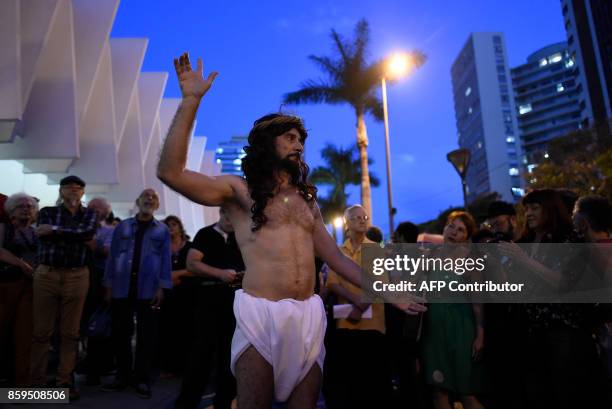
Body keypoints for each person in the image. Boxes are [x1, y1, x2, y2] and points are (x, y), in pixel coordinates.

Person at [157, 51, 426, 409]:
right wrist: (191, 101)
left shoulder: (307, 202)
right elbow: (170, 173)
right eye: (288, 136)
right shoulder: (240, 192)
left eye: (300, 138)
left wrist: (389, 292)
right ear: (267, 144)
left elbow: (334, 258)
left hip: (309, 315)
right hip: (260, 314)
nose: (298, 143)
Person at [499, 189, 604, 408]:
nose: (528, 213)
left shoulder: (568, 239)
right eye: (526, 209)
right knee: (537, 393)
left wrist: (524, 260)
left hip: (563, 330)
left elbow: (563, 283)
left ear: (551, 208)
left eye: (535, 208)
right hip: (529, 331)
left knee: (566, 392)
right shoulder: (525, 241)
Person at [30, 175, 97, 400]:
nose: (73, 191)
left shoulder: (90, 214)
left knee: (70, 332)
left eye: (78, 188)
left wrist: (56, 231)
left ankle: (64, 382)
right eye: (69, 187)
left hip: (77, 275)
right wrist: (74, 235)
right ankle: (36, 382)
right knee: (41, 332)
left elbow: (87, 233)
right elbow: (42, 234)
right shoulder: (46, 211)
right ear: (61, 191)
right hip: (47, 273)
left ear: (83, 192)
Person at [102, 189, 171, 399]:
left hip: (148, 288)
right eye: (146, 196)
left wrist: (162, 287)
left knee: (146, 336)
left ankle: (142, 378)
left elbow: (165, 260)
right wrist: (108, 286)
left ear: (157, 206)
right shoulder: (122, 226)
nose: (149, 199)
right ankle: (122, 376)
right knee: (121, 334)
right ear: (137, 201)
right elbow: (112, 257)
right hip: (122, 287)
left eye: (154, 198)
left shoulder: (163, 230)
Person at [175, 207, 245, 409]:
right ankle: (186, 403)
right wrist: (220, 274)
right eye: (229, 216)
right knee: (201, 356)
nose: (232, 221)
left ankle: (223, 403)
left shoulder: (240, 237)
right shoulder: (206, 234)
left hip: (235, 303)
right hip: (209, 301)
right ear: (222, 213)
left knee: (229, 358)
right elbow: (192, 264)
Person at [324, 205, 392, 409]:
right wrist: (355, 300)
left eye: (365, 217)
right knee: (348, 384)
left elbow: (381, 284)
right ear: (347, 223)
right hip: (345, 324)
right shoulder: (338, 251)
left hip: (373, 325)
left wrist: (360, 306)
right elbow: (332, 283)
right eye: (356, 218)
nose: (363, 220)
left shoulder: (376, 250)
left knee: (372, 385)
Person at [421, 211, 485, 409]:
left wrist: (480, 335)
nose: (453, 232)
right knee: (438, 391)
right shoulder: (431, 257)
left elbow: (478, 301)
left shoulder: (470, 261)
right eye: (451, 226)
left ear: (466, 236)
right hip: (433, 328)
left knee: (466, 393)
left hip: (461, 328)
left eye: (460, 230)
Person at [0, 193, 38, 387]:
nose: (27, 209)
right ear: (11, 210)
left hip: (30, 289)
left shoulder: (35, 232)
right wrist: (22, 265)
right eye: (21, 206)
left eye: (30, 206)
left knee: (24, 336)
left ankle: (22, 384)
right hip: (5, 286)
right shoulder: (3, 229)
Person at [81, 197, 115, 386]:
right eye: (91, 207)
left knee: (96, 325)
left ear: (105, 212)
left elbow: (110, 254)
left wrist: (95, 245)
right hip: (75, 280)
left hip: (98, 284)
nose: (93, 210)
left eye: (98, 208)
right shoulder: (78, 226)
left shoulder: (110, 231)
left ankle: (95, 367)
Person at [157, 215, 192, 377]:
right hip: (167, 293)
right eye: (167, 225)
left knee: (186, 329)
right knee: (167, 330)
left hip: (187, 293)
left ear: (180, 227)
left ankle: (187, 367)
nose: (171, 227)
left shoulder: (190, 247)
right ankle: (169, 367)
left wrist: (178, 273)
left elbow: (196, 267)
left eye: (173, 224)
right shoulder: (159, 248)